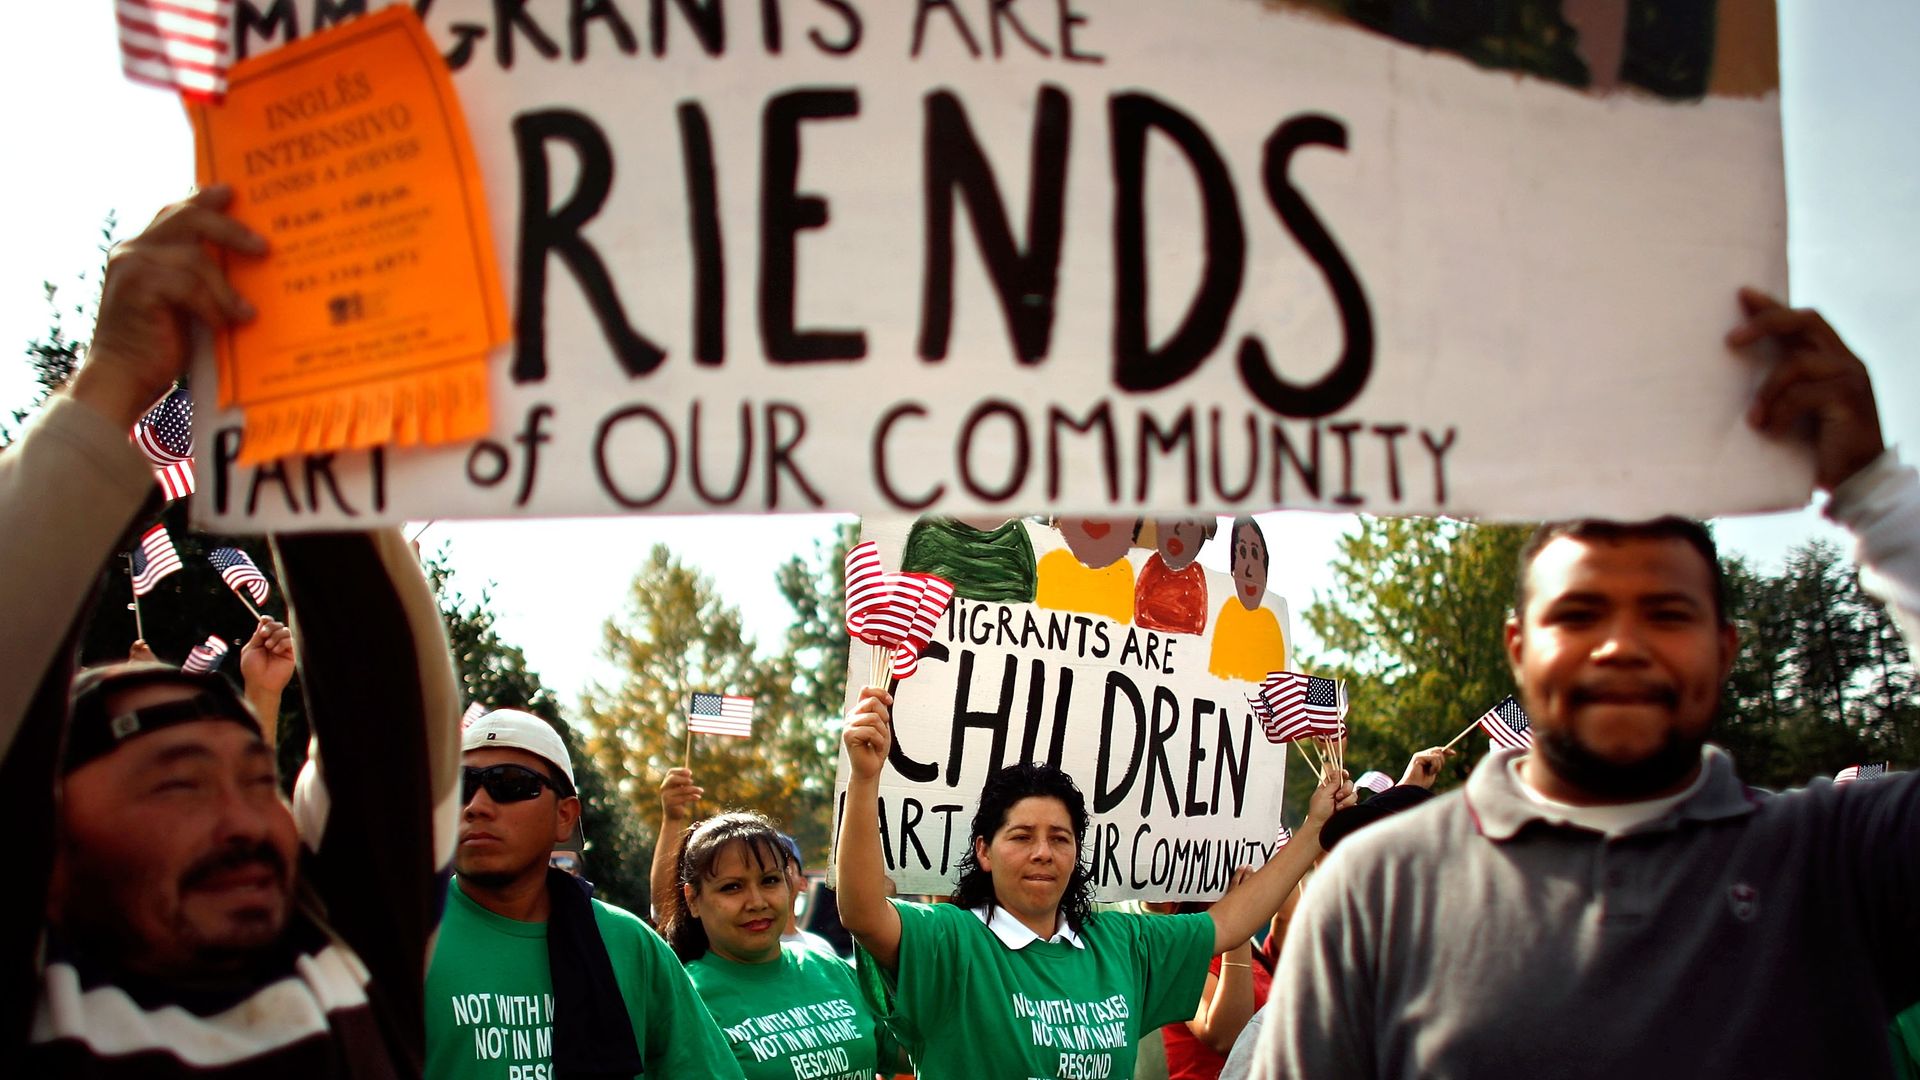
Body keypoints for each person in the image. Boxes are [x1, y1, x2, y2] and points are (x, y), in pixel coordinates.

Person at [1255, 290, 1920, 1078]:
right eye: (1579, 613)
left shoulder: (1834, 864)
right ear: (1519, 647)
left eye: (1667, 613)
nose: (1619, 646)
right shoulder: (1378, 891)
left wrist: (1878, 494)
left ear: (1725, 647)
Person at [2, 187, 464, 1075]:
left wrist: (290, 431)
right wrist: (113, 381)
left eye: (262, 777)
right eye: (175, 784)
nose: (247, 821)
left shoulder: (345, 965)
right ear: (47, 848)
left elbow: (391, 718)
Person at [837, 687, 1354, 1080]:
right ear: (985, 852)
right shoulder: (951, 940)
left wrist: (1313, 831)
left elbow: (1229, 921)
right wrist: (865, 779)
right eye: (1022, 836)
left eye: (1060, 838)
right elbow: (861, 911)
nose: (1044, 852)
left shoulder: (1119, 942)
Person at [425, 710, 739, 1079]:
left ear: (564, 815)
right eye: (460, 785)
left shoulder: (628, 942)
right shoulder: (397, 942)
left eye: (509, 784)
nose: (476, 806)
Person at [661, 811, 906, 1079]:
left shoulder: (832, 970)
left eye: (770, 881)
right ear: (693, 899)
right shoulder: (686, 999)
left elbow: (917, 1053)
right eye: (732, 887)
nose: (756, 902)